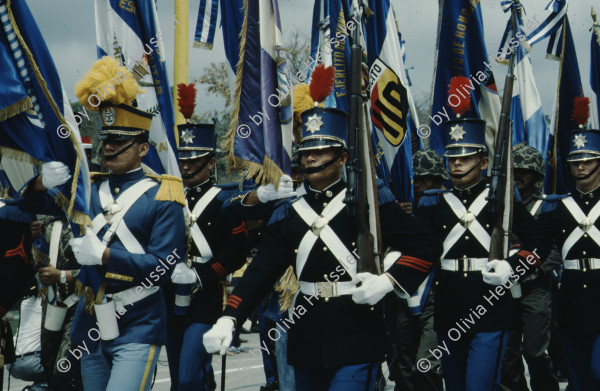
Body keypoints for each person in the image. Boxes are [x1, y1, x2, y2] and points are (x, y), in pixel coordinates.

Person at [203, 83, 442, 390]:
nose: (310, 159)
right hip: (306, 334)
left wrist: (388, 281)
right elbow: (262, 271)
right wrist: (230, 317)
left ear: (342, 158)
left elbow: (426, 244)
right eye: (306, 152)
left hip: (357, 328)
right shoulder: (289, 212)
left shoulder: (368, 202)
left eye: (320, 152)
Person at [18, 57, 186, 391]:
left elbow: (164, 265)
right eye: (107, 138)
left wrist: (106, 256)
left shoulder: (165, 195)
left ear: (141, 148)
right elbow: (30, 204)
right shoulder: (88, 188)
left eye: (119, 141)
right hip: (90, 321)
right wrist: (41, 181)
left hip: (139, 321)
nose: (109, 147)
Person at [415, 116, 550, 391]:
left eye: (465, 158)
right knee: (455, 384)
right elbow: (419, 248)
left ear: (484, 162)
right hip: (449, 305)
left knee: (480, 385)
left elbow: (540, 242)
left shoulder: (501, 199)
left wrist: (513, 266)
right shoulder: (433, 202)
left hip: (490, 305)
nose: (456, 164)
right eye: (452, 158)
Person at [166, 121, 248, 391]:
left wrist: (201, 274)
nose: (186, 167)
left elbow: (237, 253)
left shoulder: (226, 200)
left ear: (211, 163)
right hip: (169, 292)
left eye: (195, 161)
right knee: (180, 379)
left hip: (207, 295)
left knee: (190, 375)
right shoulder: (169, 199)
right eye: (183, 161)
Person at [539, 126, 600, 390]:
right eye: (576, 162)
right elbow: (542, 248)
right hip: (572, 297)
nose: (581, 167)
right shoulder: (556, 207)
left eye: (588, 161)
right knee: (578, 374)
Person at [500, 145, 559, 391]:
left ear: (537, 176)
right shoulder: (499, 205)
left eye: (525, 171)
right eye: (515, 170)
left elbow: (557, 249)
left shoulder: (548, 206)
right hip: (501, 289)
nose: (519, 175)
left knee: (535, 351)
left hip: (535, 288)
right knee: (506, 354)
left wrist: (533, 268)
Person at [391, 148, 446, 391]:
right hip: (404, 296)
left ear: (438, 179)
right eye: (416, 178)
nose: (419, 184)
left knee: (427, 363)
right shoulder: (400, 208)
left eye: (426, 178)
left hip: (438, 296)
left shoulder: (447, 207)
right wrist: (398, 219)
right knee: (402, 365)